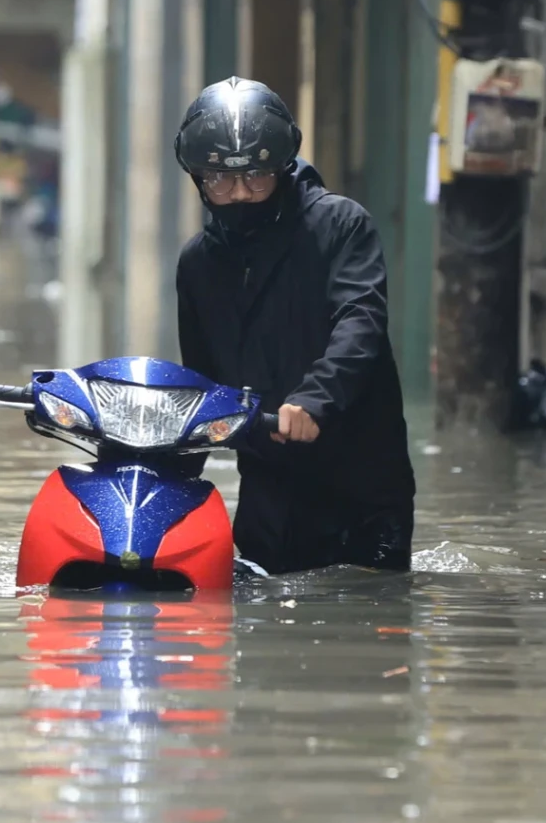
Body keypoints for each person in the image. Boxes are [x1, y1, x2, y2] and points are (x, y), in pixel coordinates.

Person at [173, 77, 417, 576]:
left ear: (282, 169)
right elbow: (200, 385)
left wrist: (314, 399)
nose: (240, 194)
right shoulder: (197, 265)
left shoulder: (340, 226)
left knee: (368, 627)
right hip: (268, 491)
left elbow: (360, 320)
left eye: (257, 178)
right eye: (221, 180)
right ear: (199, 180)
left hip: (361, 486)